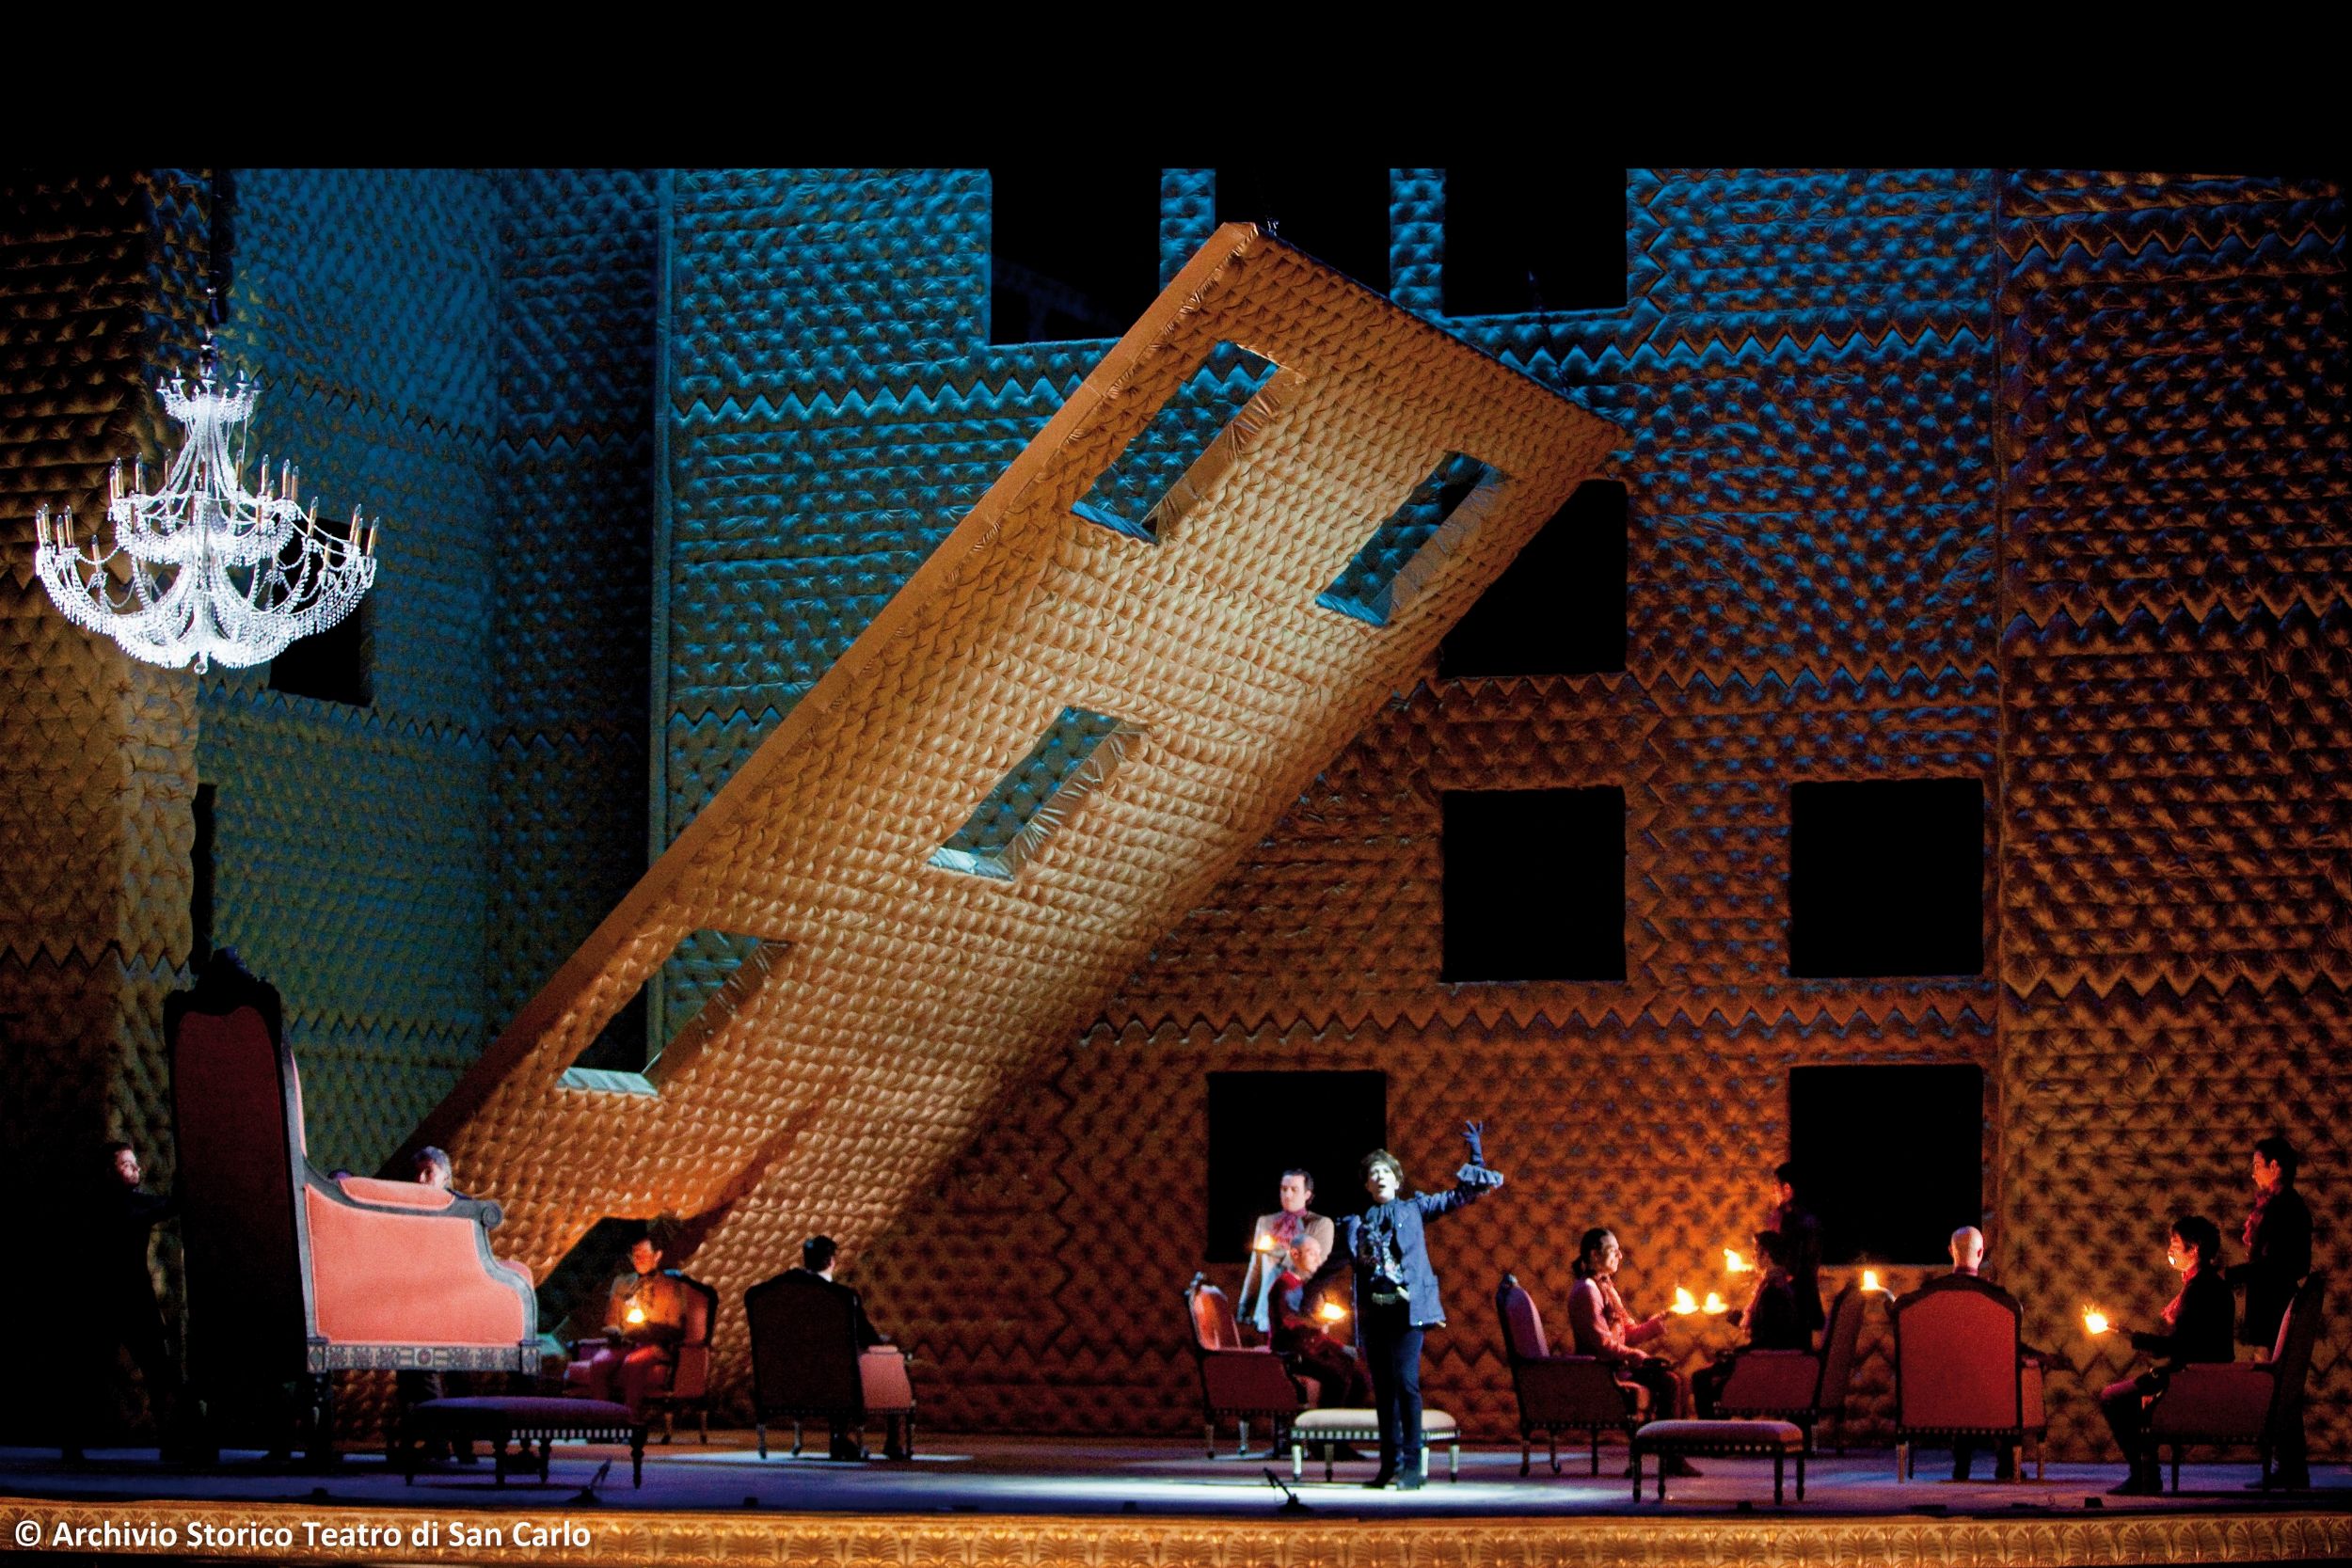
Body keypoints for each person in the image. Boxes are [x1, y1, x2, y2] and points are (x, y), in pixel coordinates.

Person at [1308, 1121, 1503, 1490]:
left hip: (1408, 1313)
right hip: (1375, 1314)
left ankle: (1413, 1466)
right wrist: (1307, 1293)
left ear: (1397, 1181)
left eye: (1386, 1172)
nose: (1379, 1177)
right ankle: (1389, 1466)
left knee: (1406, 1383)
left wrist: (1476, 1155)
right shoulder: (1356, 1223)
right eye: (1373, 1174)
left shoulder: (1415, 1208)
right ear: (1367, 1186)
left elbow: (1463, 1194)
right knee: (1384, 1390)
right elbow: (1332, 1264)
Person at [2095, 1214, 2234, 1497]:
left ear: (2194, 1249)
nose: (2170, 1250)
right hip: (2196, 1373)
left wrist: (2137, 1338)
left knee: (2113, 1398)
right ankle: (2146, 1473)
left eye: (2175, 1243)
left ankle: (2143, 1474)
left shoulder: (2201, 1290)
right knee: (2125, 1395)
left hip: (2192, 1378)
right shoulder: (2205, 1285)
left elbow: (2183, 1346)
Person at [68, 1141, 181, 1461]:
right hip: (117, 1300)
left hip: (118, 1300)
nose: (137, 1168)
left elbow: (165, 1205)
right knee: (115, 1371)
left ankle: (169, 1440)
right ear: (109, 1171)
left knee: (145, 1371)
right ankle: (169, 1442)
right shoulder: (118, 1205)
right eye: (127, 1164)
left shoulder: (122, 1202)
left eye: (135, 1163)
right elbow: (166, 1206)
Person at [1912, 1225, 2042, 1481]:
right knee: (2000, 1377)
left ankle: (1961, 1465)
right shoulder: (1998, 1301)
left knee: (1960, 1378)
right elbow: (2007, 1347)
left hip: (1936, 1391)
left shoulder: (1926, 1296)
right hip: (1988, 1398)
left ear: (1951, 1252)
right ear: (1981, 1253)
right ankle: (2006, 1464)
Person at [1565, 1227, 1695, 1474]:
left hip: (1618, 1366)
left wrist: (1656, 1324)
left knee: (1679, 1379)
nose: (1620, 1256)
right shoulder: (1586, 1291)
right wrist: (1634, 1355)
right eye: (1613, 1251)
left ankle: (1672, 1454)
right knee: (1669, 1382)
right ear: (1594, 1255)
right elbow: (1601, 1344)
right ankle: (1667, 1457)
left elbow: (1628, 1333)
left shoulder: (1606, 1286)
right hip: (1603, 1372)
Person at [2225, 1135, 2312, 1488]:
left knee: (2277, 1387)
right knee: (2277, 1386)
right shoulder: (2279, 1206)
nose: (2253, 1173)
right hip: (2272, 1303)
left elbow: (2276, 1264)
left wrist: (2230, 1275)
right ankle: (2287, 1466)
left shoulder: (2284, 1208)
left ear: (2275, 1167)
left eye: (2257, 1165)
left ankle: (2289, 1467)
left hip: (2275, 1306)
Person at [787, 1235, 907, 1461]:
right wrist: (884, 1345)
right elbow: (868, 1338)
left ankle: (839, 1437)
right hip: (840, 1380)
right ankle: (893, 1441)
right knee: (891, 1364)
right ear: (832, 1262)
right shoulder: (844, 1296)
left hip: (797, 1379)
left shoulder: (785, 1298)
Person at [566, 1233, 690, 1418]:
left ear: (657, 1256)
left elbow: (676, 1328)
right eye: (635, 1255)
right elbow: (611, 1321)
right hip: (624, 1342)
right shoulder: (622, 1283)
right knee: (600, 1363)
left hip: (654, 1345)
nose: (638, 1259)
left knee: (633, 1363)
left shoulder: (671, 1287)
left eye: (644, 1254)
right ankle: (603, 1419)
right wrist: (616, 1331)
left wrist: (648, 1330)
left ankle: (630, 1418)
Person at [1692, 1228, 1805, 1418]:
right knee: (1712, 1379)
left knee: (1700, 1379)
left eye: (1755, 1251)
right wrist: (1732, 1315)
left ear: (1766, 1254)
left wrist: (1735, 1354)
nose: (1752, 1257)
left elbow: (1769, 1339)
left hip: (1762, 1365)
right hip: (1762, 1360)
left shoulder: (1773, 1290)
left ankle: (1710, 1432)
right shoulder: (1776, 1284)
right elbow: (1764, 1325)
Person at [1271, 1232, 1371, 1407]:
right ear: (1295, 1254)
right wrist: (1317, 1323)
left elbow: (1317, 1334)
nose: (1318, 1259)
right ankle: (1325, 1422)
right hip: (1294, 1353)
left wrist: (1342, 1348)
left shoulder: (1309, 1287)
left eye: (1319, 1254)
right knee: (1338, 1378)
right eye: (1312, 1253)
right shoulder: (1285, 1284)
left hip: (1312, 1349)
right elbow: (1291, 1325)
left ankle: (1346, 1421)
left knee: (1359, 1377)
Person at [1238, 1168, 1333, 1337]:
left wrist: (1280, 1253)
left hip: (1303, 1306)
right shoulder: (1266, 1222)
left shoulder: (1321, 1224)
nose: (1287, 1194)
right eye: (1284, 1189)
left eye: (1294, 1189)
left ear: (1307, 1194)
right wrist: (1244, 1305)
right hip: (1269, 1306)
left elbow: (1316, 1268)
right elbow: (1256, 1268)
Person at [1766, 1161, 1825, 1342]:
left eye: (1775, 1187)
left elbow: (1790, 1268)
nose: (1773, 1192)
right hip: (1805, 1306)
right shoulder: (1810, 1219)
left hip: (1791, 1308)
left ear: (1787, 1189)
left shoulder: (1792, 1221)